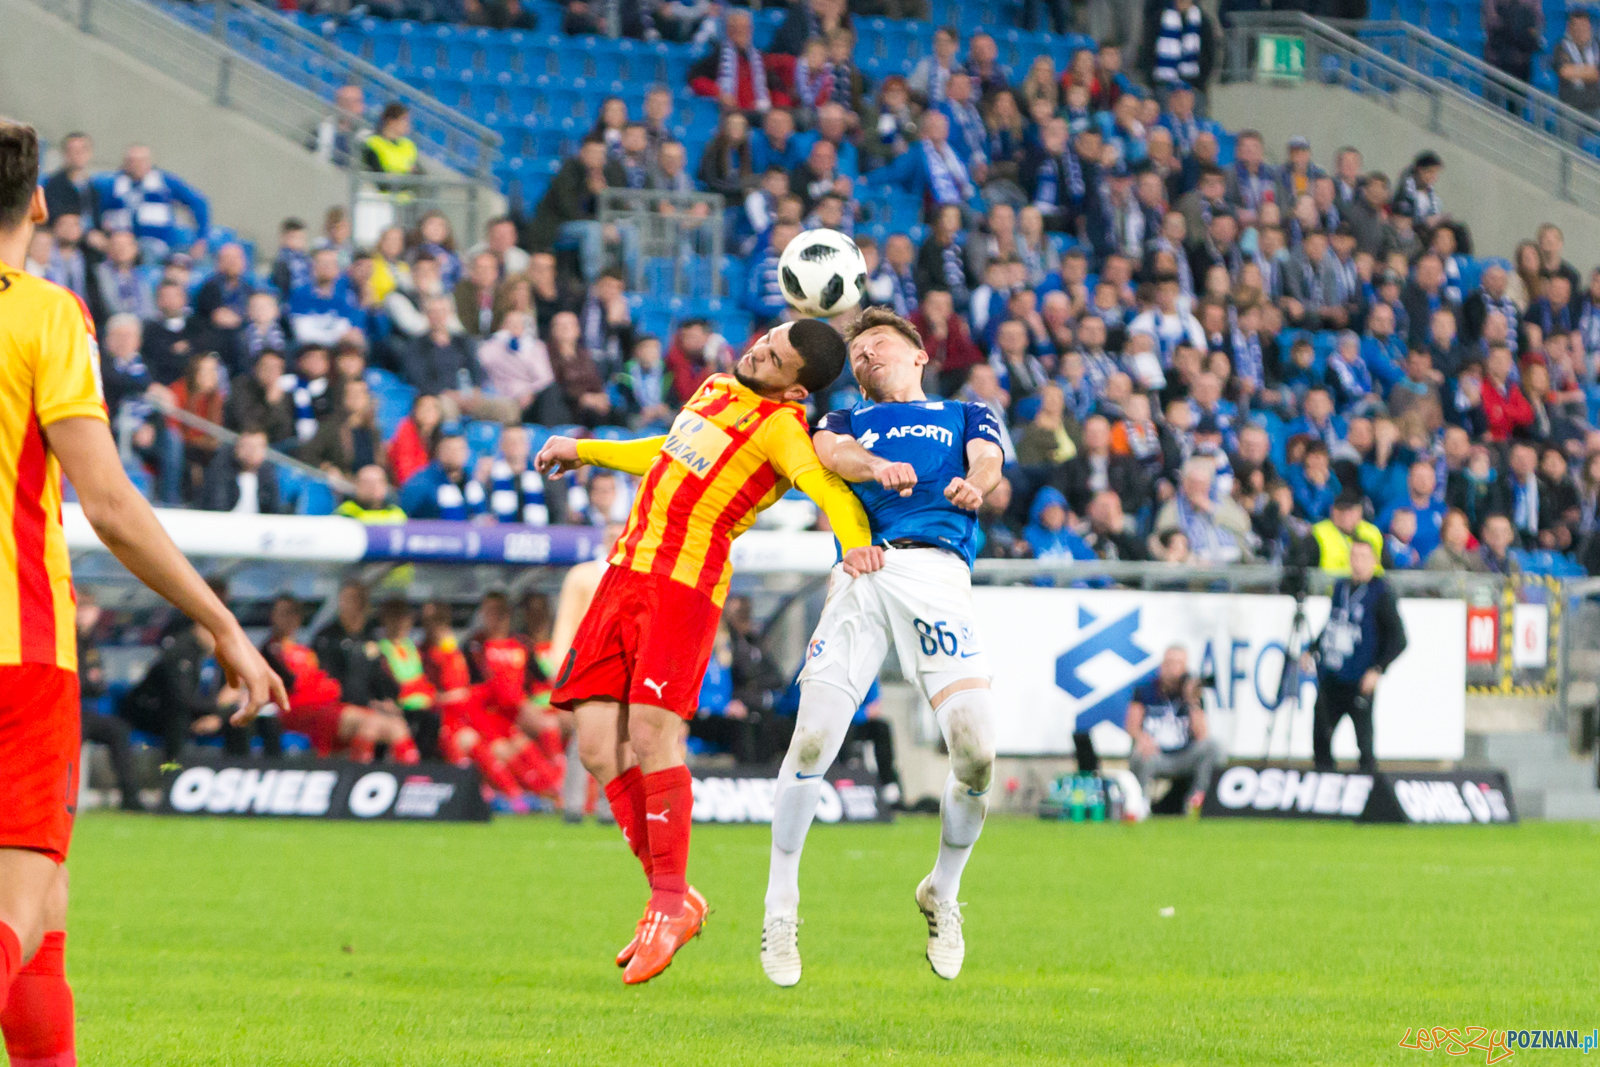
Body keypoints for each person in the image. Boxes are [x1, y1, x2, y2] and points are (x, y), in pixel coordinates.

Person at [0, 121, 285, 1065]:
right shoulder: (46, 315)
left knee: (46, 920)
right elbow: (113, 505)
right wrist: (223, 624)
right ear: (41, 203)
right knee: (17, 905)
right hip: (21, 653)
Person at [533, 319, 871, 986]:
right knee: (598, 748)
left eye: (773, 356)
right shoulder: (716, 387)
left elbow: (822, 486)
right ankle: (676, 899)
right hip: (624, 573)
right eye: (766, 338)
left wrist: (853, 542)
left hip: (683, 586)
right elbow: (667, 450)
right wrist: (587, 449)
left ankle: (666, 902)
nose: (758, 350)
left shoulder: (781, 429)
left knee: (655, 735)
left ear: (795, 388)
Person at [760, 307, 1005, 987]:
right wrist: (874, 465)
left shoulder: (965, 412)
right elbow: (832, 456)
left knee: (978, 753)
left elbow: (989, 459)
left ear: (919, 355)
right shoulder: (845, 419)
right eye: (858, 352)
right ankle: (781, 904)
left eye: (879, 347)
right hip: (865, 569)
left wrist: (973, 485)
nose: (865, 357)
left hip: (937, 575)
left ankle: (943, 890)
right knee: (811, 742)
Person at [1305, 539, 1407, 774]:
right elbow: (1334, 624)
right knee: (1321, 734)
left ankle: (1368, 788)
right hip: (1332, 676)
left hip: (1360, 680)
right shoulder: (1341, 587)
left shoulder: (1380, 592)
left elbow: (1399, 639)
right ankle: (1324, 782)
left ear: (1373, 561)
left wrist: (1378, 669)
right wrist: (1313, 649)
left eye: (1364, 557)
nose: (1358, 563)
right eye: (1354, 557)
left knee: (1363, 741)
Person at [1125, 645, 1223, 813]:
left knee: (1214, 746)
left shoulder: (1193, 694)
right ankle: (1141, 804)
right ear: (1162, 666)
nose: (1174, 669)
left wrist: (1192, 700)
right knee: (1140, 754)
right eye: (1170, 663)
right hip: (1155, 754)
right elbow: (1132, 726)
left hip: (1184, 754)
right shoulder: (1145, 691)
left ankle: (1196, 801)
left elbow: (1202, 735)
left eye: (1179, 664)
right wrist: (1143, 739)